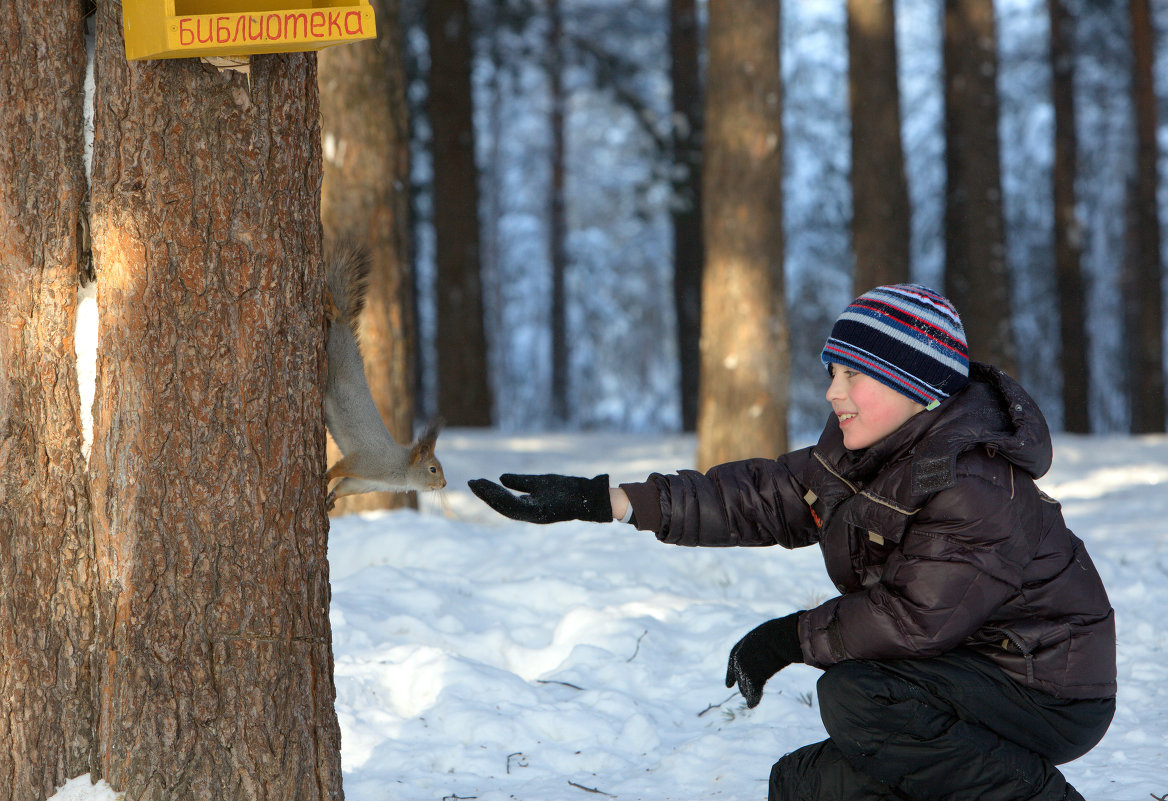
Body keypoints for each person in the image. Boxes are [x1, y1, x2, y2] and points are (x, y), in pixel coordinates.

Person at [469, 284, 1116, 801]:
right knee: (804, 785)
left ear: (915, 387)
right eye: (832, 372)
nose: (833, 391)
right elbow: (760, 496)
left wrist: (789, 636)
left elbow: (915, 618)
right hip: (955, 673)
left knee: (859, 695)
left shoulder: (974, 483)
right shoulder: (865, 454)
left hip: (1042, 685)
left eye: (853, 376)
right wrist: (602, 500)